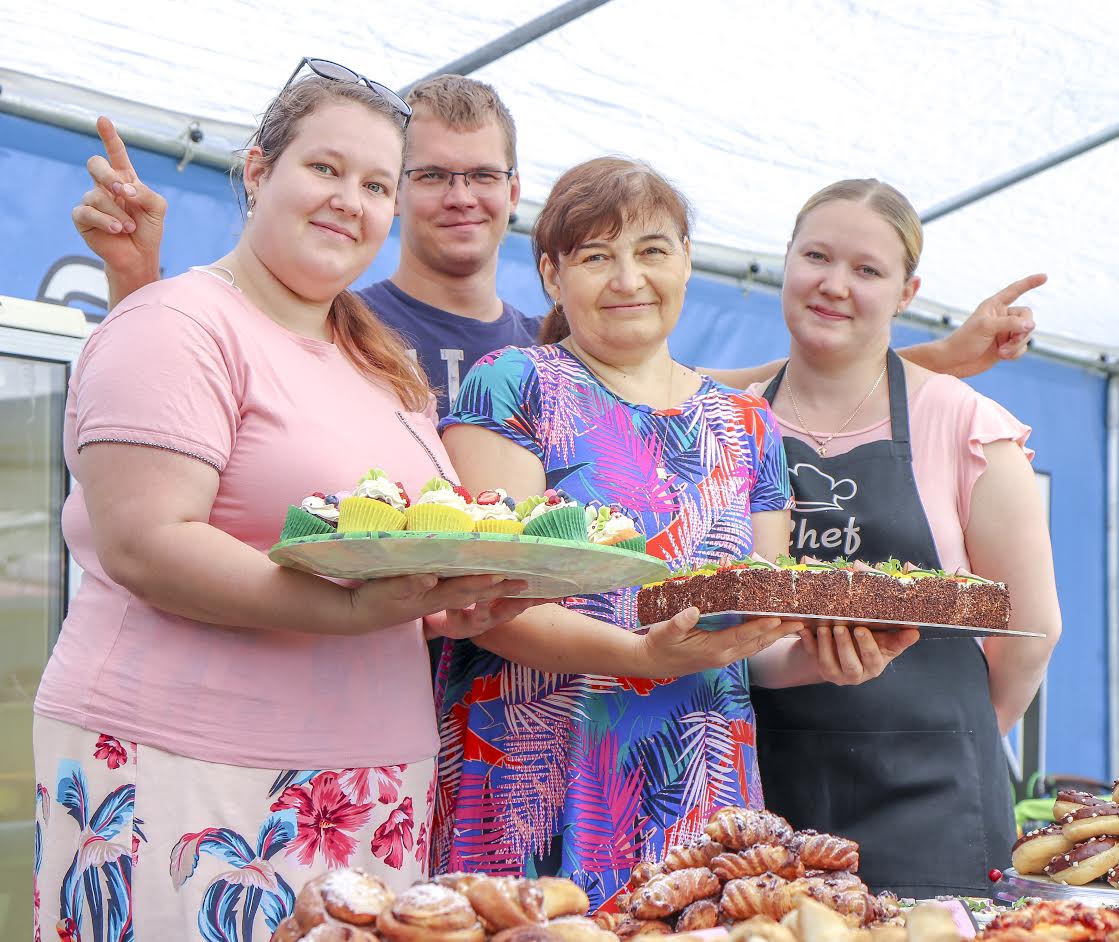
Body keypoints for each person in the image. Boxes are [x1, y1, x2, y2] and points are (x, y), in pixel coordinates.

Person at [33, 63, 547, 939]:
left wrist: (441, 605)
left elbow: (383, 549)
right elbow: (147, 544)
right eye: (325, 168)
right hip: (189, 770)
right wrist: (351, 611)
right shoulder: (179, 322)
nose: (350, 199)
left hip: (372, 785)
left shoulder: (379, 359)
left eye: (377, 183)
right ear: (258, 170)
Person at [430, 157, 921, 910]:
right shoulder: (514, 383)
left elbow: (751, 638)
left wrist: (831, 658)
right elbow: (486, 604)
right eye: (597, 256)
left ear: (687, 261)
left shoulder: (747, 423)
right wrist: (640, 656)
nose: (628, 279)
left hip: (698, 784)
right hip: (534, 773)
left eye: (652, 250)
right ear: (552, 275)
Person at [743, 179, 1062, 898]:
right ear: (786, 260)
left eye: (866, 270)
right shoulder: (730, 422)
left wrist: (952, 737)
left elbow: (1031, 628)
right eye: (816, 257)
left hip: (932, 800)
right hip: (762, 791)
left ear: (906, 290)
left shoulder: (963, 419)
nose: (833, 285)